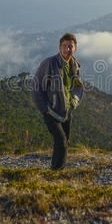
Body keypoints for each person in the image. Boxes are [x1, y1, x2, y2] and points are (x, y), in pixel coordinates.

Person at [32, 33, 84, 170]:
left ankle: (60, 167)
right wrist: (44, 109)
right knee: (60, 141)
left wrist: (75, 100)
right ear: (60, 47)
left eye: (70, 47)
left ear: (75, 49)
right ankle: (56, 170)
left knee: (65, 140)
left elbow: (77, 86)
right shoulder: (50, 63)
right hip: (51, 110)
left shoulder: (74, 65)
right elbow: (36, 87)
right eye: (64, 46)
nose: (67, 50)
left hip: (66, 110)